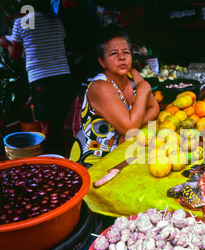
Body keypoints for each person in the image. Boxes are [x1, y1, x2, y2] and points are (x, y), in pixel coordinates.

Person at [69, 25, 159, 165]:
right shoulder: (100, 87)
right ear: (102, 61)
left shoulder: (133, 75)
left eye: (126, 52)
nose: (122, 58)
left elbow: (154, 108)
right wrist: (143, 89)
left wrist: (128, 131)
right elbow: (131, 128)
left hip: (120, 157)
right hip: (93, 163)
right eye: (113, 54)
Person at [0, 0, 75, 156]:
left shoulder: (21, 23)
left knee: (46, 124)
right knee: (62, 123)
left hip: (42, 78)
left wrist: (6, 44)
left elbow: (15, 54)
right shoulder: (56, 20)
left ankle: (54, 161)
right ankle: (68, 158)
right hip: (64, 76)